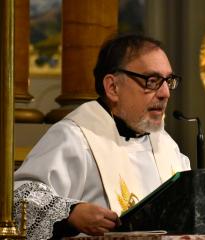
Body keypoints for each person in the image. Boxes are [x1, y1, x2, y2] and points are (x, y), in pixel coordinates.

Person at [13, 34, 191, 239]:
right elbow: (20, 199)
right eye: (152, 81)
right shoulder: (76, 137)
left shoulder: (167, 147)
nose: (165, 93)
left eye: (168, 81)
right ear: (113, 87)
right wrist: (71, 213)